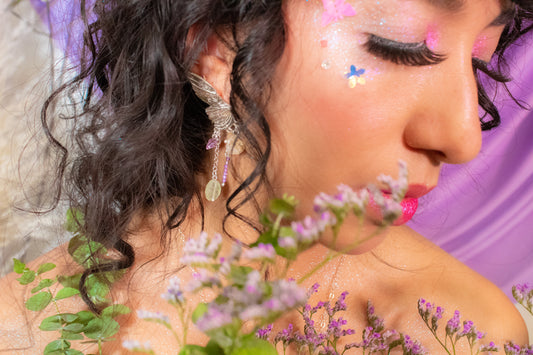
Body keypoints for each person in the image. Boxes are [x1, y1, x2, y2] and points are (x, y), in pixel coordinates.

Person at [0, 0, 531, 353]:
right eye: (402, 46)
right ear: (211, 47)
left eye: (480, 59)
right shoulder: (25, 326)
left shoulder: (456, 329)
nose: (465, 137)